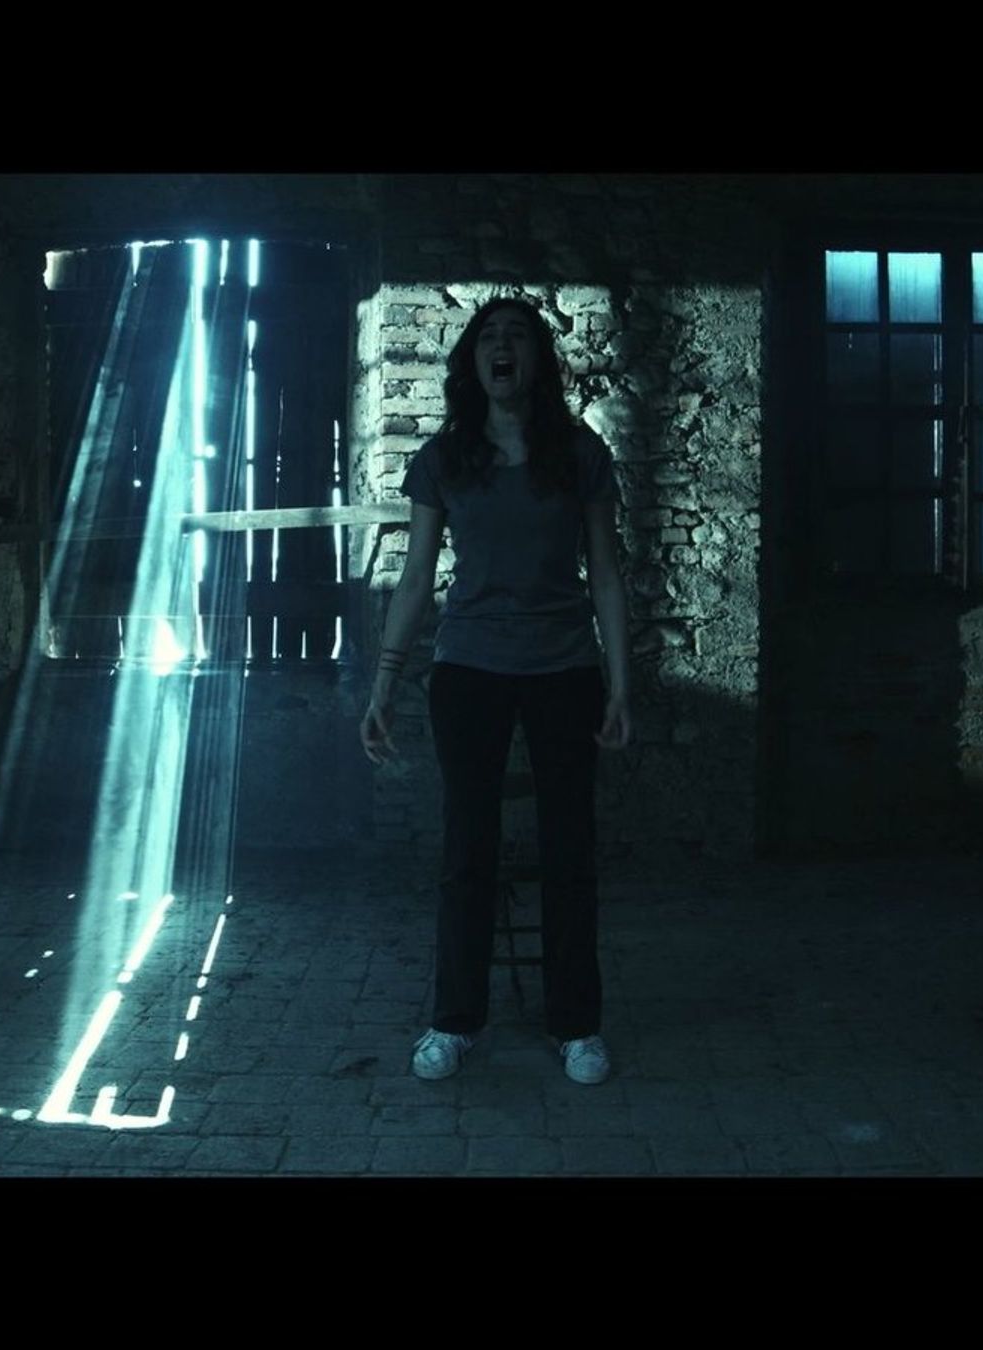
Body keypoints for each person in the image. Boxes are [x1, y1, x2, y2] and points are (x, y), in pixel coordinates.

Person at [360, 296, 632, 1085]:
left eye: (517, 335)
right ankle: (455, 1021)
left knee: (569, 851)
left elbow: (606, 574)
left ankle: (576, 1024)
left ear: (537, 359)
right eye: (488, 336)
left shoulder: (579, 454)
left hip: (563, 669)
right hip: (470, 670)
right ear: (472, 361)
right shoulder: (444, 459)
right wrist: (384, 682)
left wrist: (621, 685)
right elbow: (417, 577)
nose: (502, 346)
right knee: (467, 850)